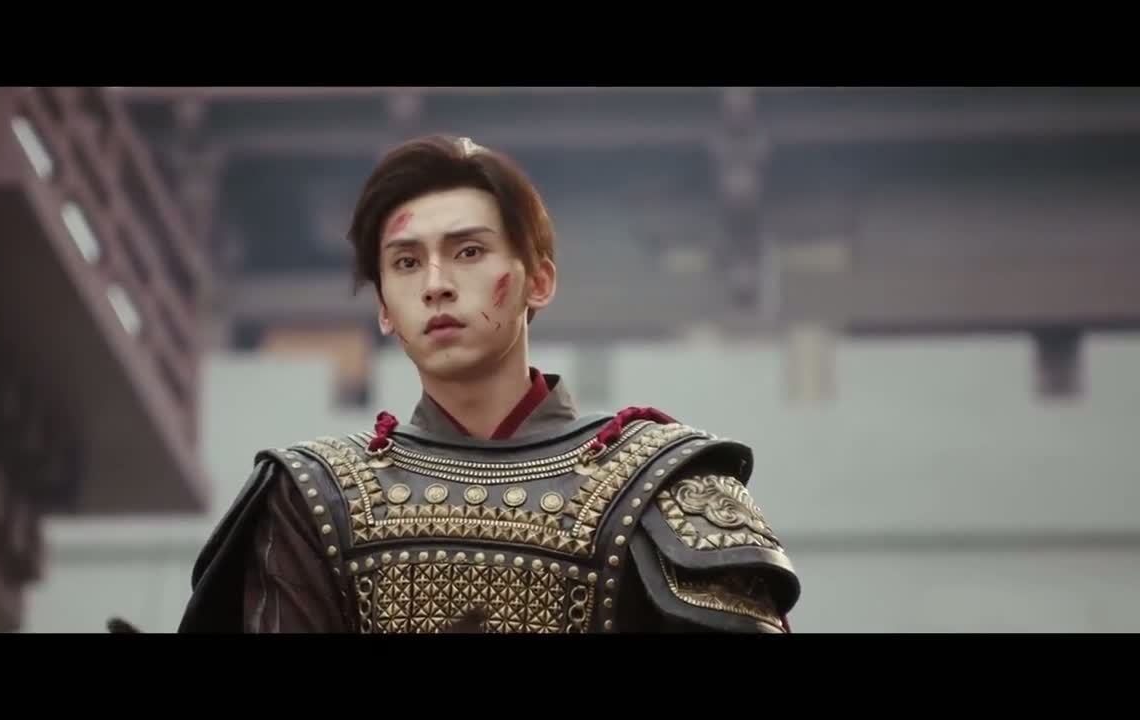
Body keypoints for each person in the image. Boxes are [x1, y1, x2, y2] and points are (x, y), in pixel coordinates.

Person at [175, 134, 800, 634]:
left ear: (539, 282)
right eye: (406, 263)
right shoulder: (312, 497)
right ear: (385, 309)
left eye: (468, 252)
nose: (436, 284)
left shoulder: (660, 482)